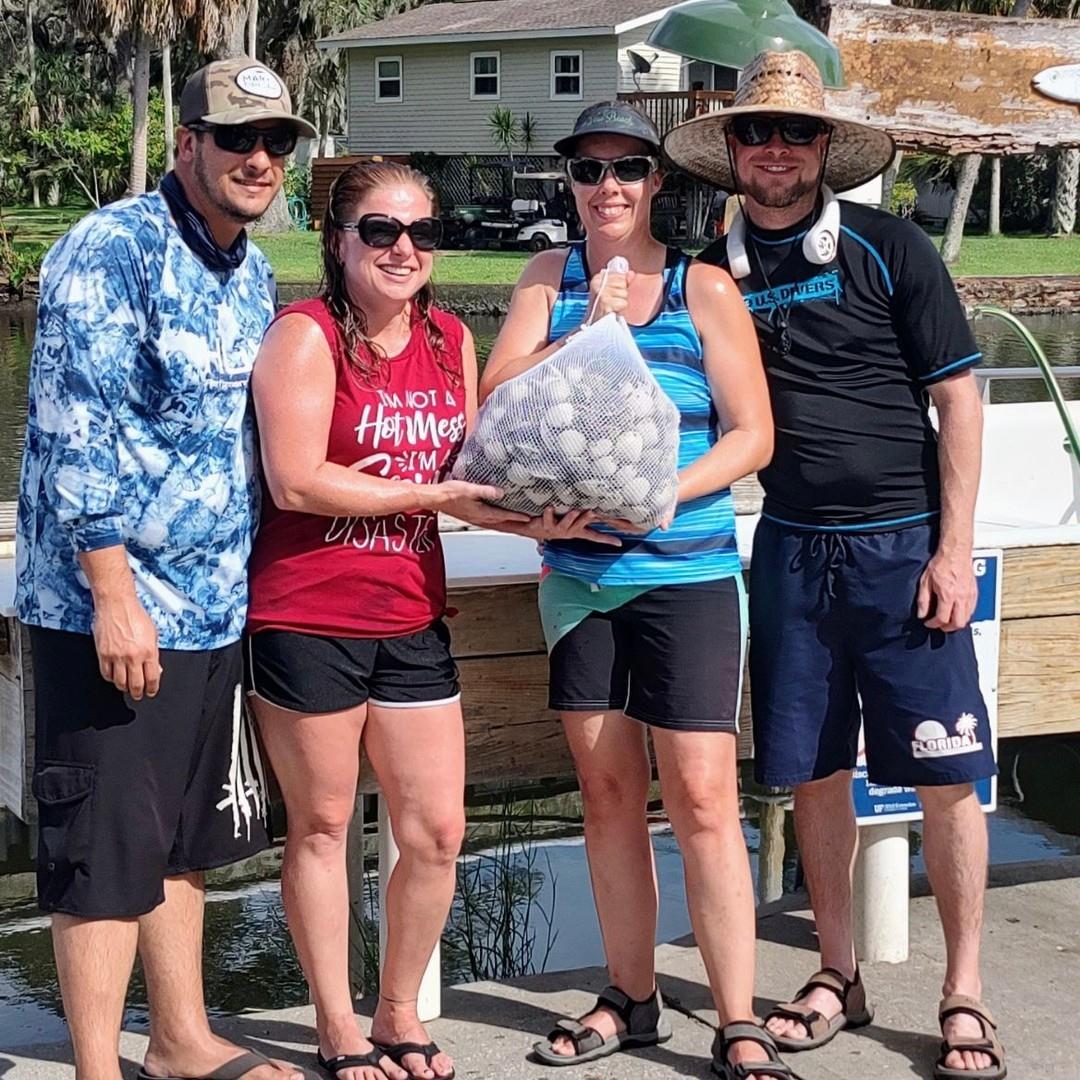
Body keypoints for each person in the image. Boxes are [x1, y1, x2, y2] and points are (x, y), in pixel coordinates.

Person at [666, 50, 1005, 1080]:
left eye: (796, 133)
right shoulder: (708, 271)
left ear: (826, 150)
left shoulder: (891, 247)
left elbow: (958, 402)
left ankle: (964, 991)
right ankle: (838, 971)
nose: (774, 150)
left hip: (905, 551)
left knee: (946, 773)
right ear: (732, 152)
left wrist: (953, 550)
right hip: (787, 551)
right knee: (810, 776)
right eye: (755, 133)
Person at [244, 160, 611, 1080]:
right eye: (380, 230)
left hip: (411, 611)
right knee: (323, 827)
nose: (403, 248)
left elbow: (468, 478)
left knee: (436, 830)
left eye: (420, 232)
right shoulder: (304, 336)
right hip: (308, 612)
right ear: (338, 240)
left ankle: (399, 1009)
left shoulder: (450, 338)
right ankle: (337, 1022)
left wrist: (537, 516)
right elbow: (294, 480)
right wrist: (432, 490)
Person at [16, 59, 314, 1080]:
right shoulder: (110, 252)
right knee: (102, 850)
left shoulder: (253, 271)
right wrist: (112, 595)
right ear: (187, 143)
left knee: (186, 841)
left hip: (212, 609)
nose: (259, 159)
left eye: (276, 142)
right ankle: (101, 1066)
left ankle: (182, 1040)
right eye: (236, 138)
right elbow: (72, 432)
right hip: (111, 609)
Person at [481, 102, 785, 1080]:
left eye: (625, 169)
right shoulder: (546, 279)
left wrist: (664, 493)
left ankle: (737, 1019)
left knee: (701, 797)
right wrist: (592, 327)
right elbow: (495, 398)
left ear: (656, 181)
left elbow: (750, 435)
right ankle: (632, 996)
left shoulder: (704, 287)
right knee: (609, 795)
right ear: (567, 182)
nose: (605, 187)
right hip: (581, 580)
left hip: (688, 572)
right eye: (586, 170)